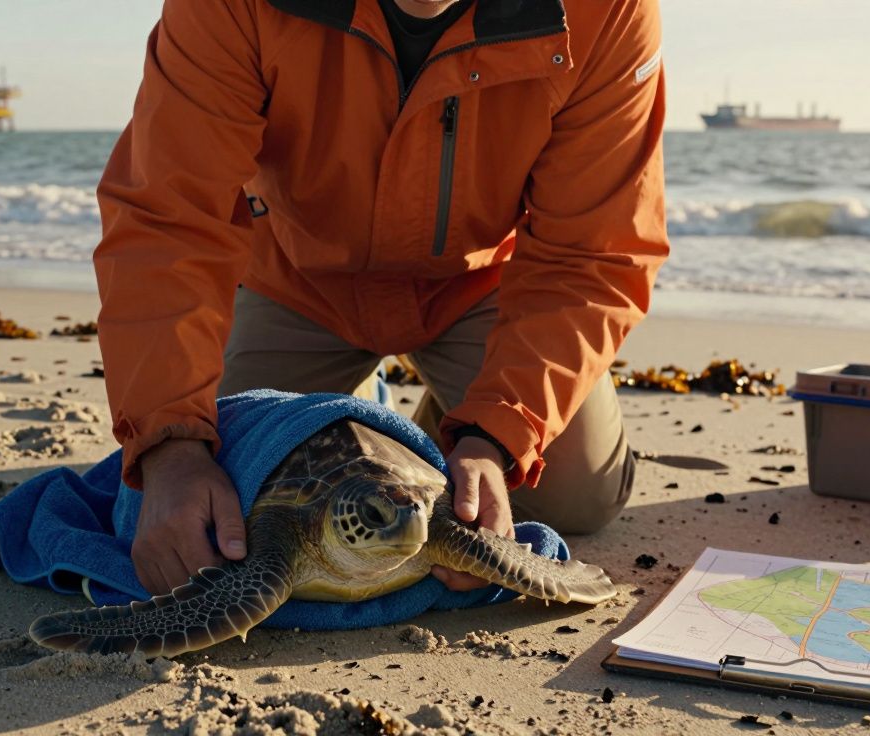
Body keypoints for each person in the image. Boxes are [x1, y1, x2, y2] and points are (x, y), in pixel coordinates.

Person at [94, 0, 668, 596]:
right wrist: (171, 445)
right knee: (228, 501)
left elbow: (591, 253)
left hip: (476, 285)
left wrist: (494, 436)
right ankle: (360, 410)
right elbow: (169, 220)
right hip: (297, 279)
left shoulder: (608, 9)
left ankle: (446, 421)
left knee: (574, 498)